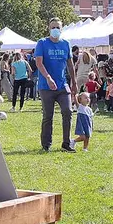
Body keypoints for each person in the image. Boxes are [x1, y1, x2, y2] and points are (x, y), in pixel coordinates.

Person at [35, 17, 76, 153]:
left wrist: (74, 83)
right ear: (49, 28)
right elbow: (39, 63)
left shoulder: (66, 44)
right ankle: (46, 144)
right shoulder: (42, 43)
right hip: (46, 86)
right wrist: (48, 78)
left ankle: (66, 143)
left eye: (58, 27)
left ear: (62, 29)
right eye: (53, 27)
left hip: (62, 84)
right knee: (48, 115)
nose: (55, 30)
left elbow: (70, 64)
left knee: (68, 111)